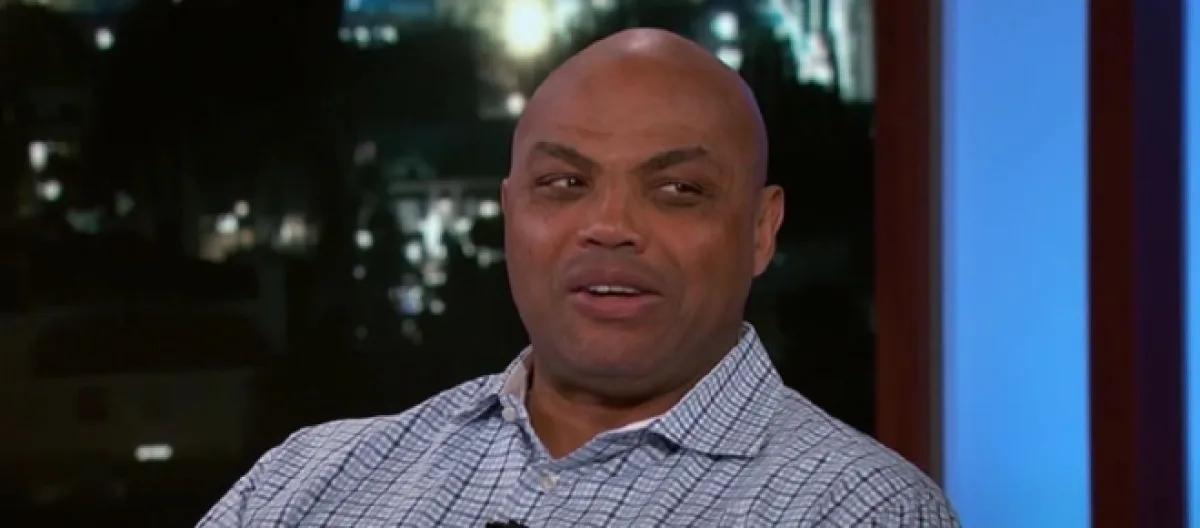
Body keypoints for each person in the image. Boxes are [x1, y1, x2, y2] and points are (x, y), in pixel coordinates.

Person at [198, 28, 959, 527]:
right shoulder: (311, 481)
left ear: (761, 230)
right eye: (564, 184)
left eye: (678, 190)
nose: (610, 225)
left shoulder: (860, 509)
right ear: (510, 214)